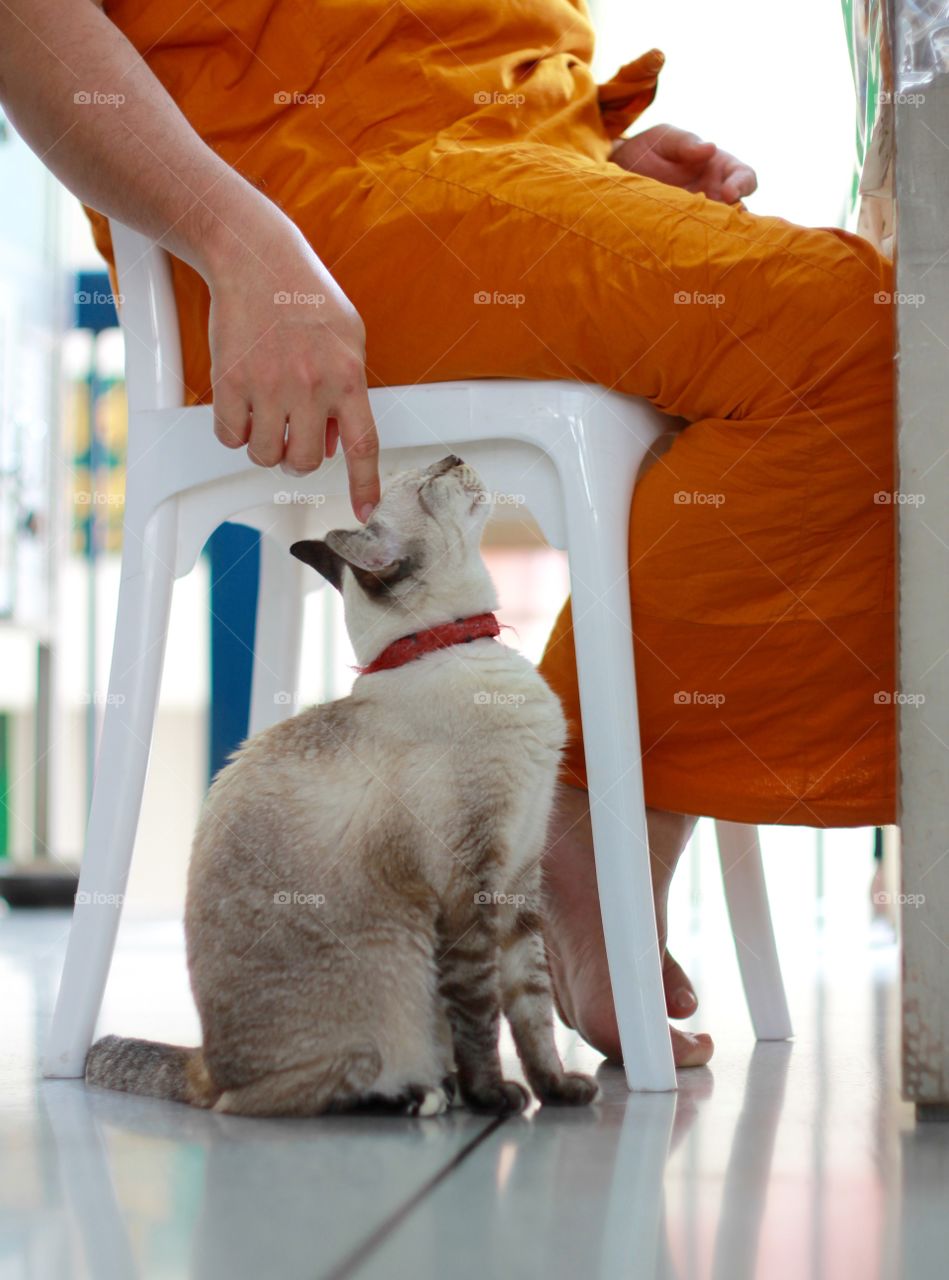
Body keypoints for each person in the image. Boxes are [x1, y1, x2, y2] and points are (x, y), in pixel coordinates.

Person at [0, 0, 895, 1068]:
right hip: (304, 211)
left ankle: (597, 807)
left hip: (480, 170)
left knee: (866, 330)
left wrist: (588, 164)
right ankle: (585, 806)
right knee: (861, 336)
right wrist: (241, 238)